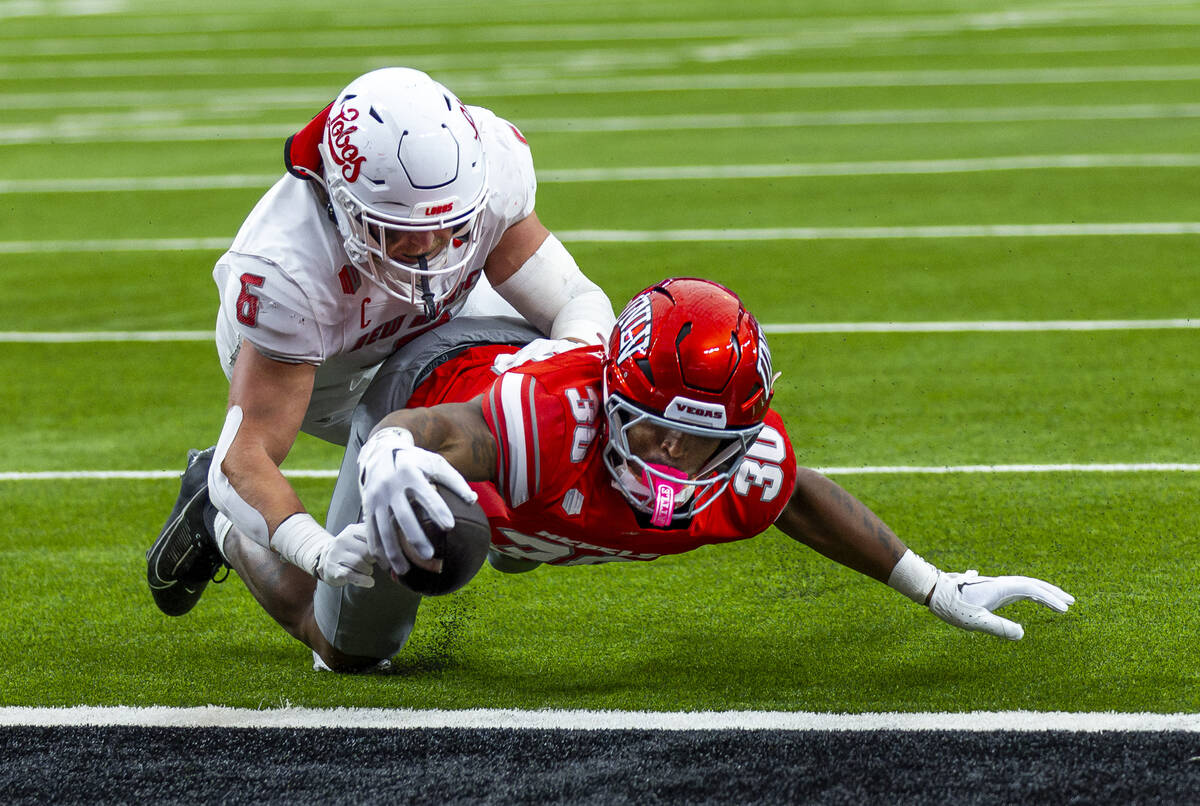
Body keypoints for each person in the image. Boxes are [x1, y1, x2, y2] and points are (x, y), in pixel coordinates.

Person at [160, 278, 1074, 672]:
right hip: (422, 379)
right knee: (368, 630)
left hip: (500, 394)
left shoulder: (744, 463)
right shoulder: (548, 424)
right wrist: (395, 445)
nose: (677, 463)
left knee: (501, 543)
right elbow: (448, 429)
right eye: (656, 434)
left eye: (702, 444)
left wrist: (929, 583)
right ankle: (225, 510)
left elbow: (795, 493)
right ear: (614, 400)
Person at [145, 67, 615, 618]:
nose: (433, 248)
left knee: (527, 485)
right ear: (343, 203)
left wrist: (561, 363)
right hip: (331, 376)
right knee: (339, 630)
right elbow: (244, 458)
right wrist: (316, 551)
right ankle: (219, 523)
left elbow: (576, 301)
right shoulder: (286, 269)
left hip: (448, 323)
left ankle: (505, 519)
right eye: (401, 230)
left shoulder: (491, 166)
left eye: (451, 225)